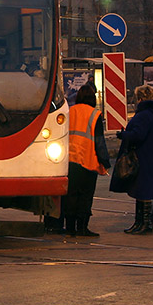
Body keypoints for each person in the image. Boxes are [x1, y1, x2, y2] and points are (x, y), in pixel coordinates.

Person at [111, 85, 153, 234]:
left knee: (143, 191)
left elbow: (138, 135)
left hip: (142, 156)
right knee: (143, 191)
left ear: (140, 99)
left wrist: (123, 135)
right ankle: (141, 223)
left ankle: (144, 224)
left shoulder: (144, 115)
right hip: (150, 156)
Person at [65, 82, 110, 237]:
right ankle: (82, 227)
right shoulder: (95, 115)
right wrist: (105, 161)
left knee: (71, 195)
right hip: (88, 161)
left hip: (70, 160)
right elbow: (99, 141)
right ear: (93, 98)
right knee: (85, 196)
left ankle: (69, 228)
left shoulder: (70, 111)